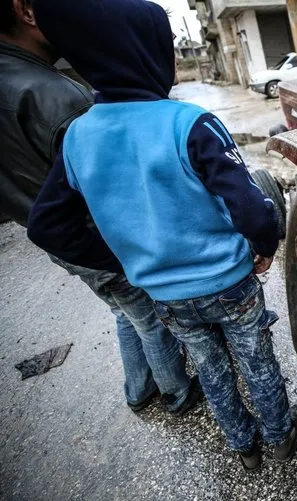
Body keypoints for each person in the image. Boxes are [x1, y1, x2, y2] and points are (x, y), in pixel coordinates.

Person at [27, 0, 297, 470]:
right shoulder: (188, 122)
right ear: (141, 52)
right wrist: (263, 246)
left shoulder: (77, 137)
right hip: (229, 283)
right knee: (256, 361)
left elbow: (47, 226)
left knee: (212, 372)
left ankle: (244, 449)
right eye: (168, 47)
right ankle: (280, 436)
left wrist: (126, 261)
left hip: (165, 294)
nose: (174, 58)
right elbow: (248, 206)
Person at [0, 0, 200, 415]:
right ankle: (177, 393)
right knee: (148, 316)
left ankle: (138, 388)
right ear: (26, 11)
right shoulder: (55, 97)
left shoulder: (17, 80)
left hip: (58, 236)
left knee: (124, 311)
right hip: (95, 236)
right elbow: (120, 189)